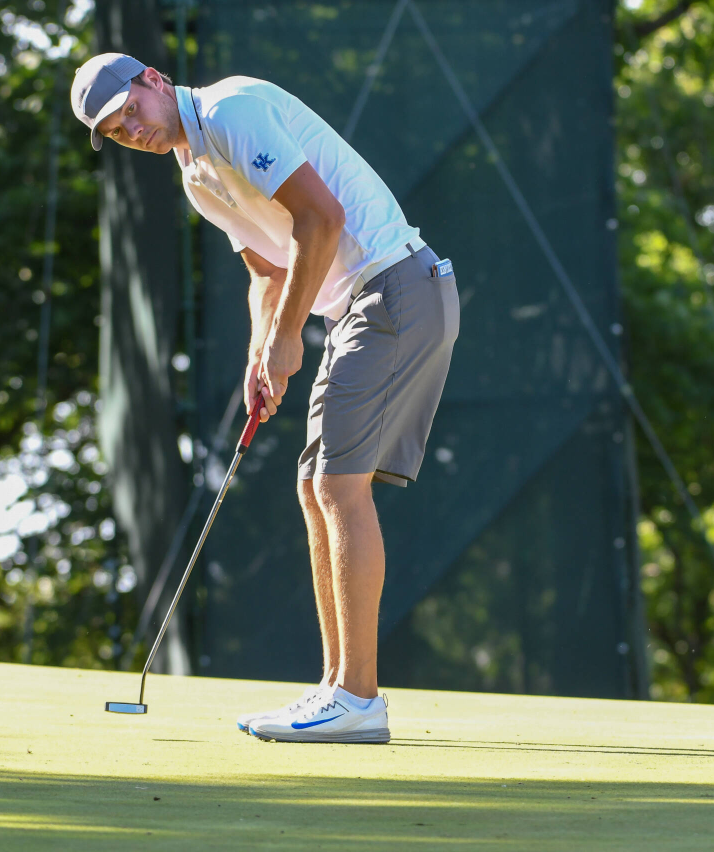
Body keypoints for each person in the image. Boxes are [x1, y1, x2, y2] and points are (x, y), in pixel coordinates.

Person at [71, 53, 458, 743]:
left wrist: (287, 340)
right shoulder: (195, 176)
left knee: (338, 486)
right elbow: (269, 266)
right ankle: (340, 688)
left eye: (132, 109)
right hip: (360, 306)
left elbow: (322, 220)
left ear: (154, 80)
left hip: (395, 286)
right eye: (118, 130)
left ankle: (358, 699)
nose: (133, 129)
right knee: (318, 487)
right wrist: (262, 349)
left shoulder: (230, 110)